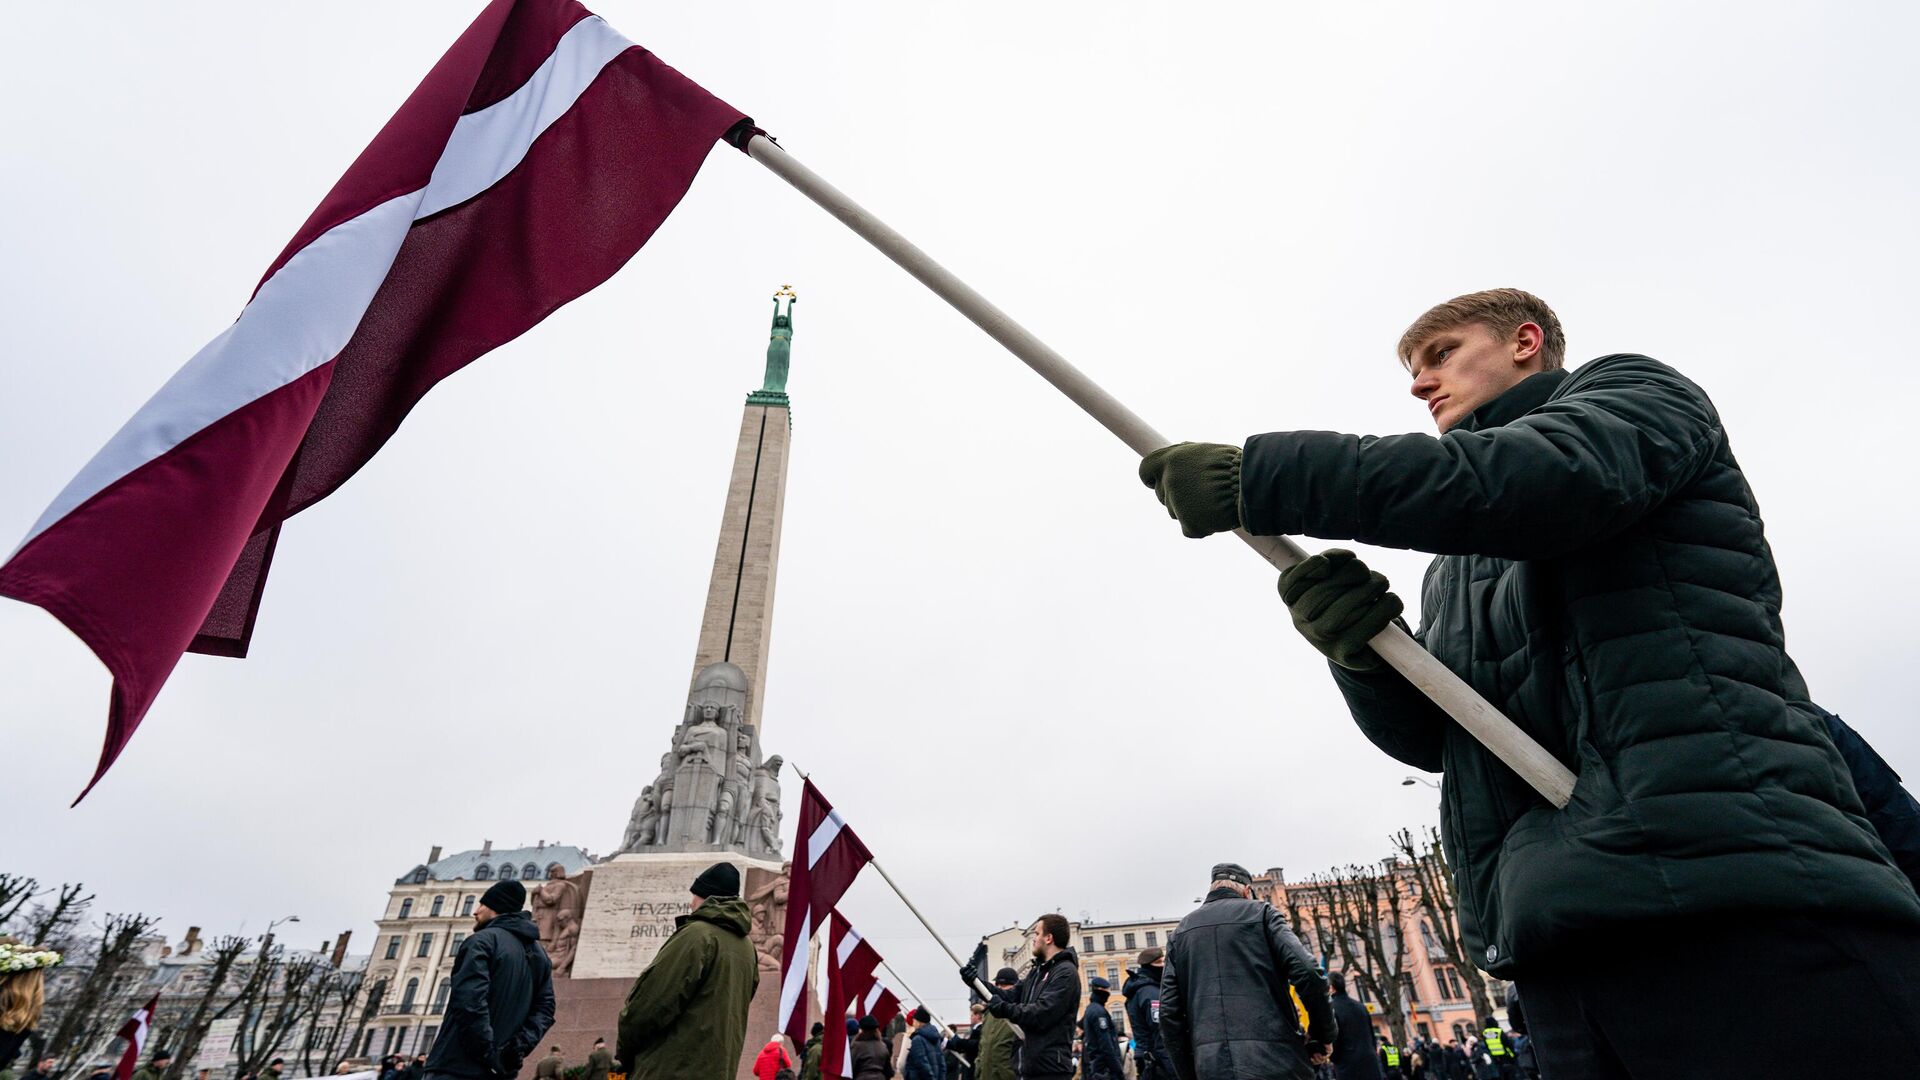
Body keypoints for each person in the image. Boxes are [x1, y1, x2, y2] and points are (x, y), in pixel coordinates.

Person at [1139, 287, 1920, 1075]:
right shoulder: (1457, 566)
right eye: (1411, 368)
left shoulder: (1633, 396)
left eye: (1440, 354)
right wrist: (1363, 654)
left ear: (1525, 340)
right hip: (1564, 951)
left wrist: (1270, 478)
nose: (1418, 383)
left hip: (1737, 904)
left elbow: (1545, 480)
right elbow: (1444, 737)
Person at [1159, 863, 1333, 1080]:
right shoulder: (1263, 914)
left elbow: (1168, 1013)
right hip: (1278, 1061)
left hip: (1211, 1067)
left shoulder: (1180, 933)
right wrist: (1321, 1035)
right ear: (1246, 891)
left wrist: (1189, 1071)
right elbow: (1309, 972)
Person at [616, 862, 758, 1080]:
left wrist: (624, 1054)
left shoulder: (696, 936)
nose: (691, 904)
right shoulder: (747, 949)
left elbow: (650, 1004)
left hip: (671, 1067)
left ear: (706, 897)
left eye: (695, 896)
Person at [423, 878, 554, 1080]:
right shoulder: (541, 955)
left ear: (496, 908)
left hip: (456, 1066)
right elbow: (545, 1009)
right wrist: (514, 1050)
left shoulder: (481, 942)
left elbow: (470, 1002)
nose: (476, 911)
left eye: (482, 904)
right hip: (501, 1071)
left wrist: (488, 1052)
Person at [980, 916, 1079, 1080]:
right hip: (1030, 1066)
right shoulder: (1036, 972)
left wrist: (1003, 1008)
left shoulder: (1065, 973)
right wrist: (976, 983)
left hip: (1051, 1069)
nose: (1033, 939)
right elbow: (1009, 996)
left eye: (1037, 934)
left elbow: (1041, 1013)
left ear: (1048, 938)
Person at [1120, 950, 1173, 1080]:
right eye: (1158, 962)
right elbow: (1160, 1033)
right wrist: (1173, 1069)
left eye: (1164, 961)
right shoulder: (1150, 993)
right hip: (1158, 1061)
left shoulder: (1139, 989)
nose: (1163, 965)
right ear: (1148, 966)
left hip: (1147, 1057)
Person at [1324, 973, 1379, 1080]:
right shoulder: (1361, 1006)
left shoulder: (1331, 1009)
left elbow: (1335, 1040)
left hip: (1348, 1067)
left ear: (1331, 988)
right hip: (1370, 1063)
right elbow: (1372, 1036)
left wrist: (1334, 1058)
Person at [1077, 980, 1123, 1080]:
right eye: (1106, 990)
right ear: (1100, 990)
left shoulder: (1091, 1009)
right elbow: (1106, 1043)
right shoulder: (1099, 1012)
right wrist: (1117, 1069)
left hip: (1096, 1066)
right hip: (1103, 1069)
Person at [901, 1008, 944, 1080]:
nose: (913, 1023)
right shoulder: (936, 1038)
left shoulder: (917, 1039)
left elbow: (922, 1065)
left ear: (919, 1022)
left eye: (914, 1020)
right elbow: (942, 1065)